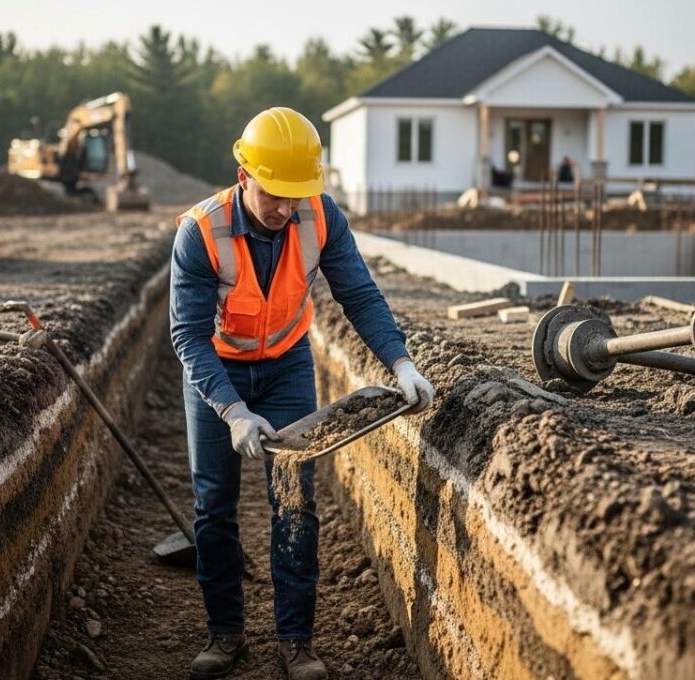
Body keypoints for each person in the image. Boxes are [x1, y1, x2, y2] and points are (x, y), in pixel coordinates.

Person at [170, 107, 435, 680]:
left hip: (287, 363)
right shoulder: (201, 231)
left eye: (297, 195)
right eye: (275, 195)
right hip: (218, 368)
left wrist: (401, 362)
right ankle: (226, 633)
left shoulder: (320, 216)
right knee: (213, 504)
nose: (286, 208)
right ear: (245, 177)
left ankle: (296, 641)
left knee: (295, 498)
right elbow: (187, 336)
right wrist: (233, 411)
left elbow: (359, 295)